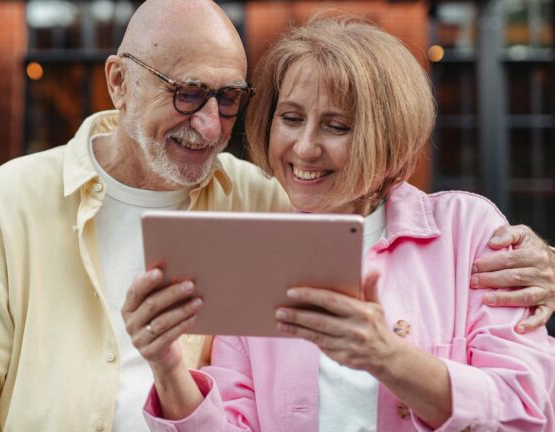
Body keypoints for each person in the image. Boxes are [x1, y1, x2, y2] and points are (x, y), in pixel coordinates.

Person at [0, 1, 555, 430]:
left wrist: (544, 266)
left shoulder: (267, 208)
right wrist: (169, 368)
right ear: (119, 82)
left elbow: (532, 402)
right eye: (187, 93)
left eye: (226, 99)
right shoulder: (12, 200)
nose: (209, 125)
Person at [127, 16, 555, 431]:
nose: (305, 148)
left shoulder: (468, 231)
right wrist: (168, 368)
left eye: (336, 126)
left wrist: (388, 357)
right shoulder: (255, 256)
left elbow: (527, 411)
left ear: (391, 137)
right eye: (291, 118)